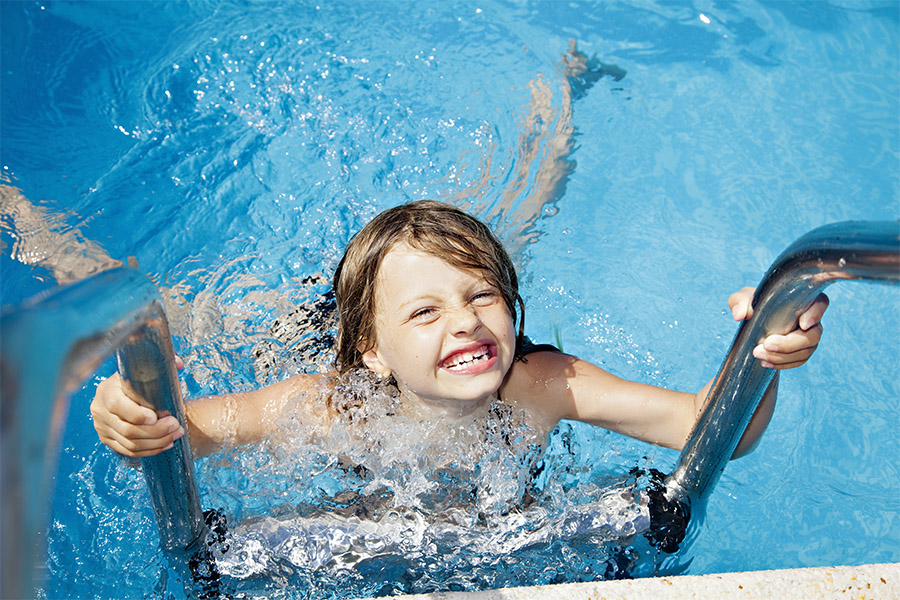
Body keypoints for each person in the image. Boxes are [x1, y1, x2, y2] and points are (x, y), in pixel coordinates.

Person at [91, 200, 828, 464]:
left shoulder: (541, 385)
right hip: (318, 336)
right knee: (211, 320)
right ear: (373, 350)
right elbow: (189, 430)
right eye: (427, 310)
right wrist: (126, 411)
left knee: (517, 215)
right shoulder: (330, 405)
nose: (468, 320)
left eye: (484, 297)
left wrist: (759, 354)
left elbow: (713, 429)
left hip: (377, 335)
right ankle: (56, 243)